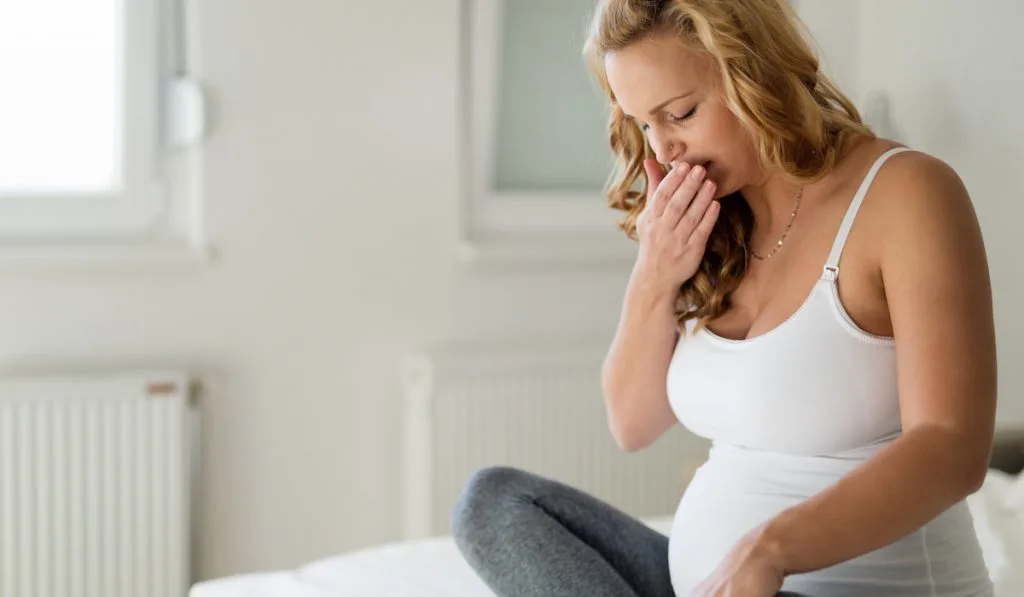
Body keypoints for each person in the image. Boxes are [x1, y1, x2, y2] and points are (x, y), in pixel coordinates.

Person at [451, 0, 998, 596]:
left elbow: (951, 448)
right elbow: (632, 424)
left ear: (753, 74)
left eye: (680, 113)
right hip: (709, 585)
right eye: (643, 124)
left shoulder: (906, 193)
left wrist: (771, 550)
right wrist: (655, 275)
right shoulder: (711, 225)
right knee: (497, 503)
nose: (662, 151)